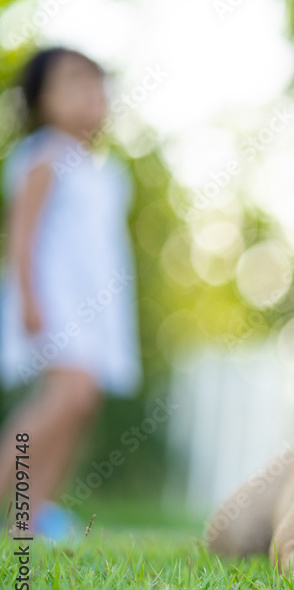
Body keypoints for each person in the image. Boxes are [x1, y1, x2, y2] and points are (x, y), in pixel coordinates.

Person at [0, 47, 141, 540]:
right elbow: (22, 235)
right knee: (66, 395)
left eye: (97, 86)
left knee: (83, 402)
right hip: (54, 300)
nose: (90, 96)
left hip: (95, 305)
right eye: (74, 85)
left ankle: (35, 512)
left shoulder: (102, 170)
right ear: (41, 100)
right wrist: (29, 299)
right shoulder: (44, 157)